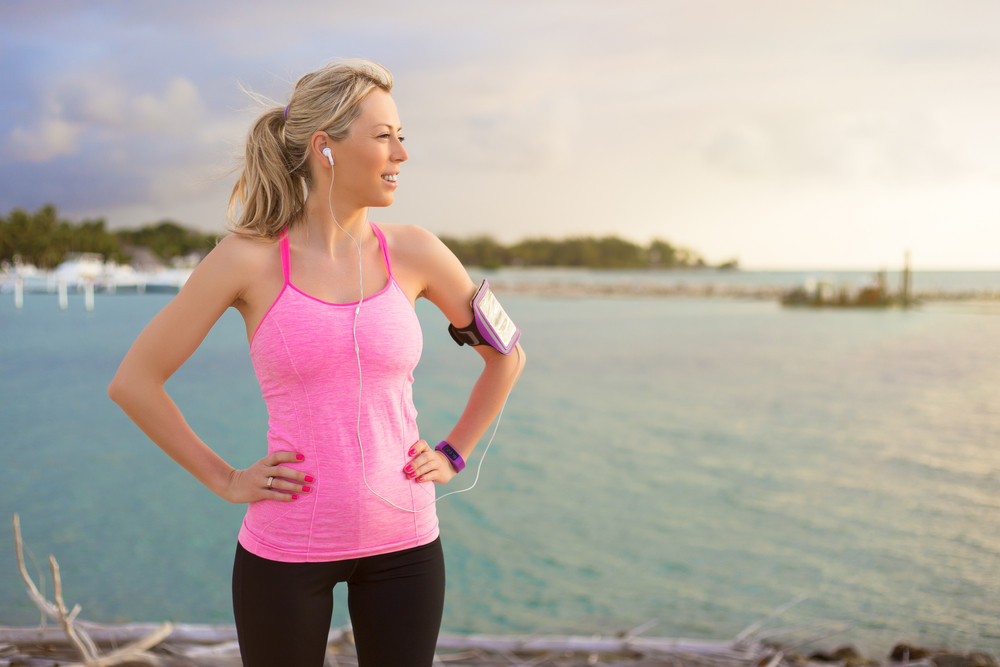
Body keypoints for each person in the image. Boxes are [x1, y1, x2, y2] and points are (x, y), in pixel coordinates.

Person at [108, 58, 525, 667]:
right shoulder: (246, 259)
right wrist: (226, 479)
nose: (402, 154)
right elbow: (135, 383)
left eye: (402, 136)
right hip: (285, 551)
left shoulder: (416, 251)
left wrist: (454, 452)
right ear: (325, 147)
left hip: (406, 546)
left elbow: (507, 358)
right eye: (384, 136)